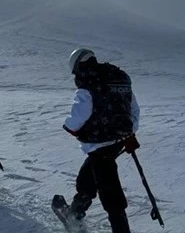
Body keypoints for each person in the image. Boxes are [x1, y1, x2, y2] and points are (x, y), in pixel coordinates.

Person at [63, 49, 140, 233]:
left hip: (99, 144)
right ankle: (75, 213)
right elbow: (133, 108)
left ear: (78, 67)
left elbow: (79, 117)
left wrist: (70, 127)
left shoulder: (89, 83)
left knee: (110, 193)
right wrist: (129, 132)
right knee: (86, 178)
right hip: (119, 141)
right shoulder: (117, 77)